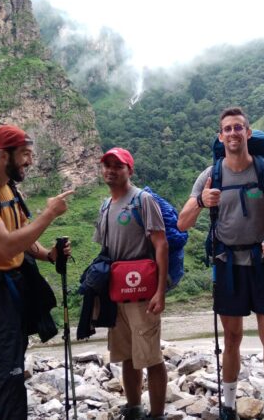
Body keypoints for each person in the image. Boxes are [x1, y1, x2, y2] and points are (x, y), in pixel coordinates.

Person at [177, 107, 264, 420]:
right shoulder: (210, 175)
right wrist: (202, 201)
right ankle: (228, 406)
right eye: (227, 129)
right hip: (227, 265)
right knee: (231, 338)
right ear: (221, 135)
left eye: (238, 128)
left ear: (248, 132)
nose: (232, 133)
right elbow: (182, 223)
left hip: (263, 263)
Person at [0, 124, 74, 420]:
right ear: (3, 154)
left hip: (9, 291)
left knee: (7, 376)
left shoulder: (8, 189)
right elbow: (6, 246)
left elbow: (22, 233)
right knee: (4, 377)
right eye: (25, 154)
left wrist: (47, 254)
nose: (29, 161)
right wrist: (48, 214)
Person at [94, 147, 169, 420]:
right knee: (126, 354)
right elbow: (104, 253)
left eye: (118, 165)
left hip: (143, 292)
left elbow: (161, 245)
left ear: (130, 170)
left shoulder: (142, 200)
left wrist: (161, 291)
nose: (111, 170)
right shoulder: (105, 206)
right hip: (116, 293)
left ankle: (157, 414)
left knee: (150, 355)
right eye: (107, 165)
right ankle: (135, 407)